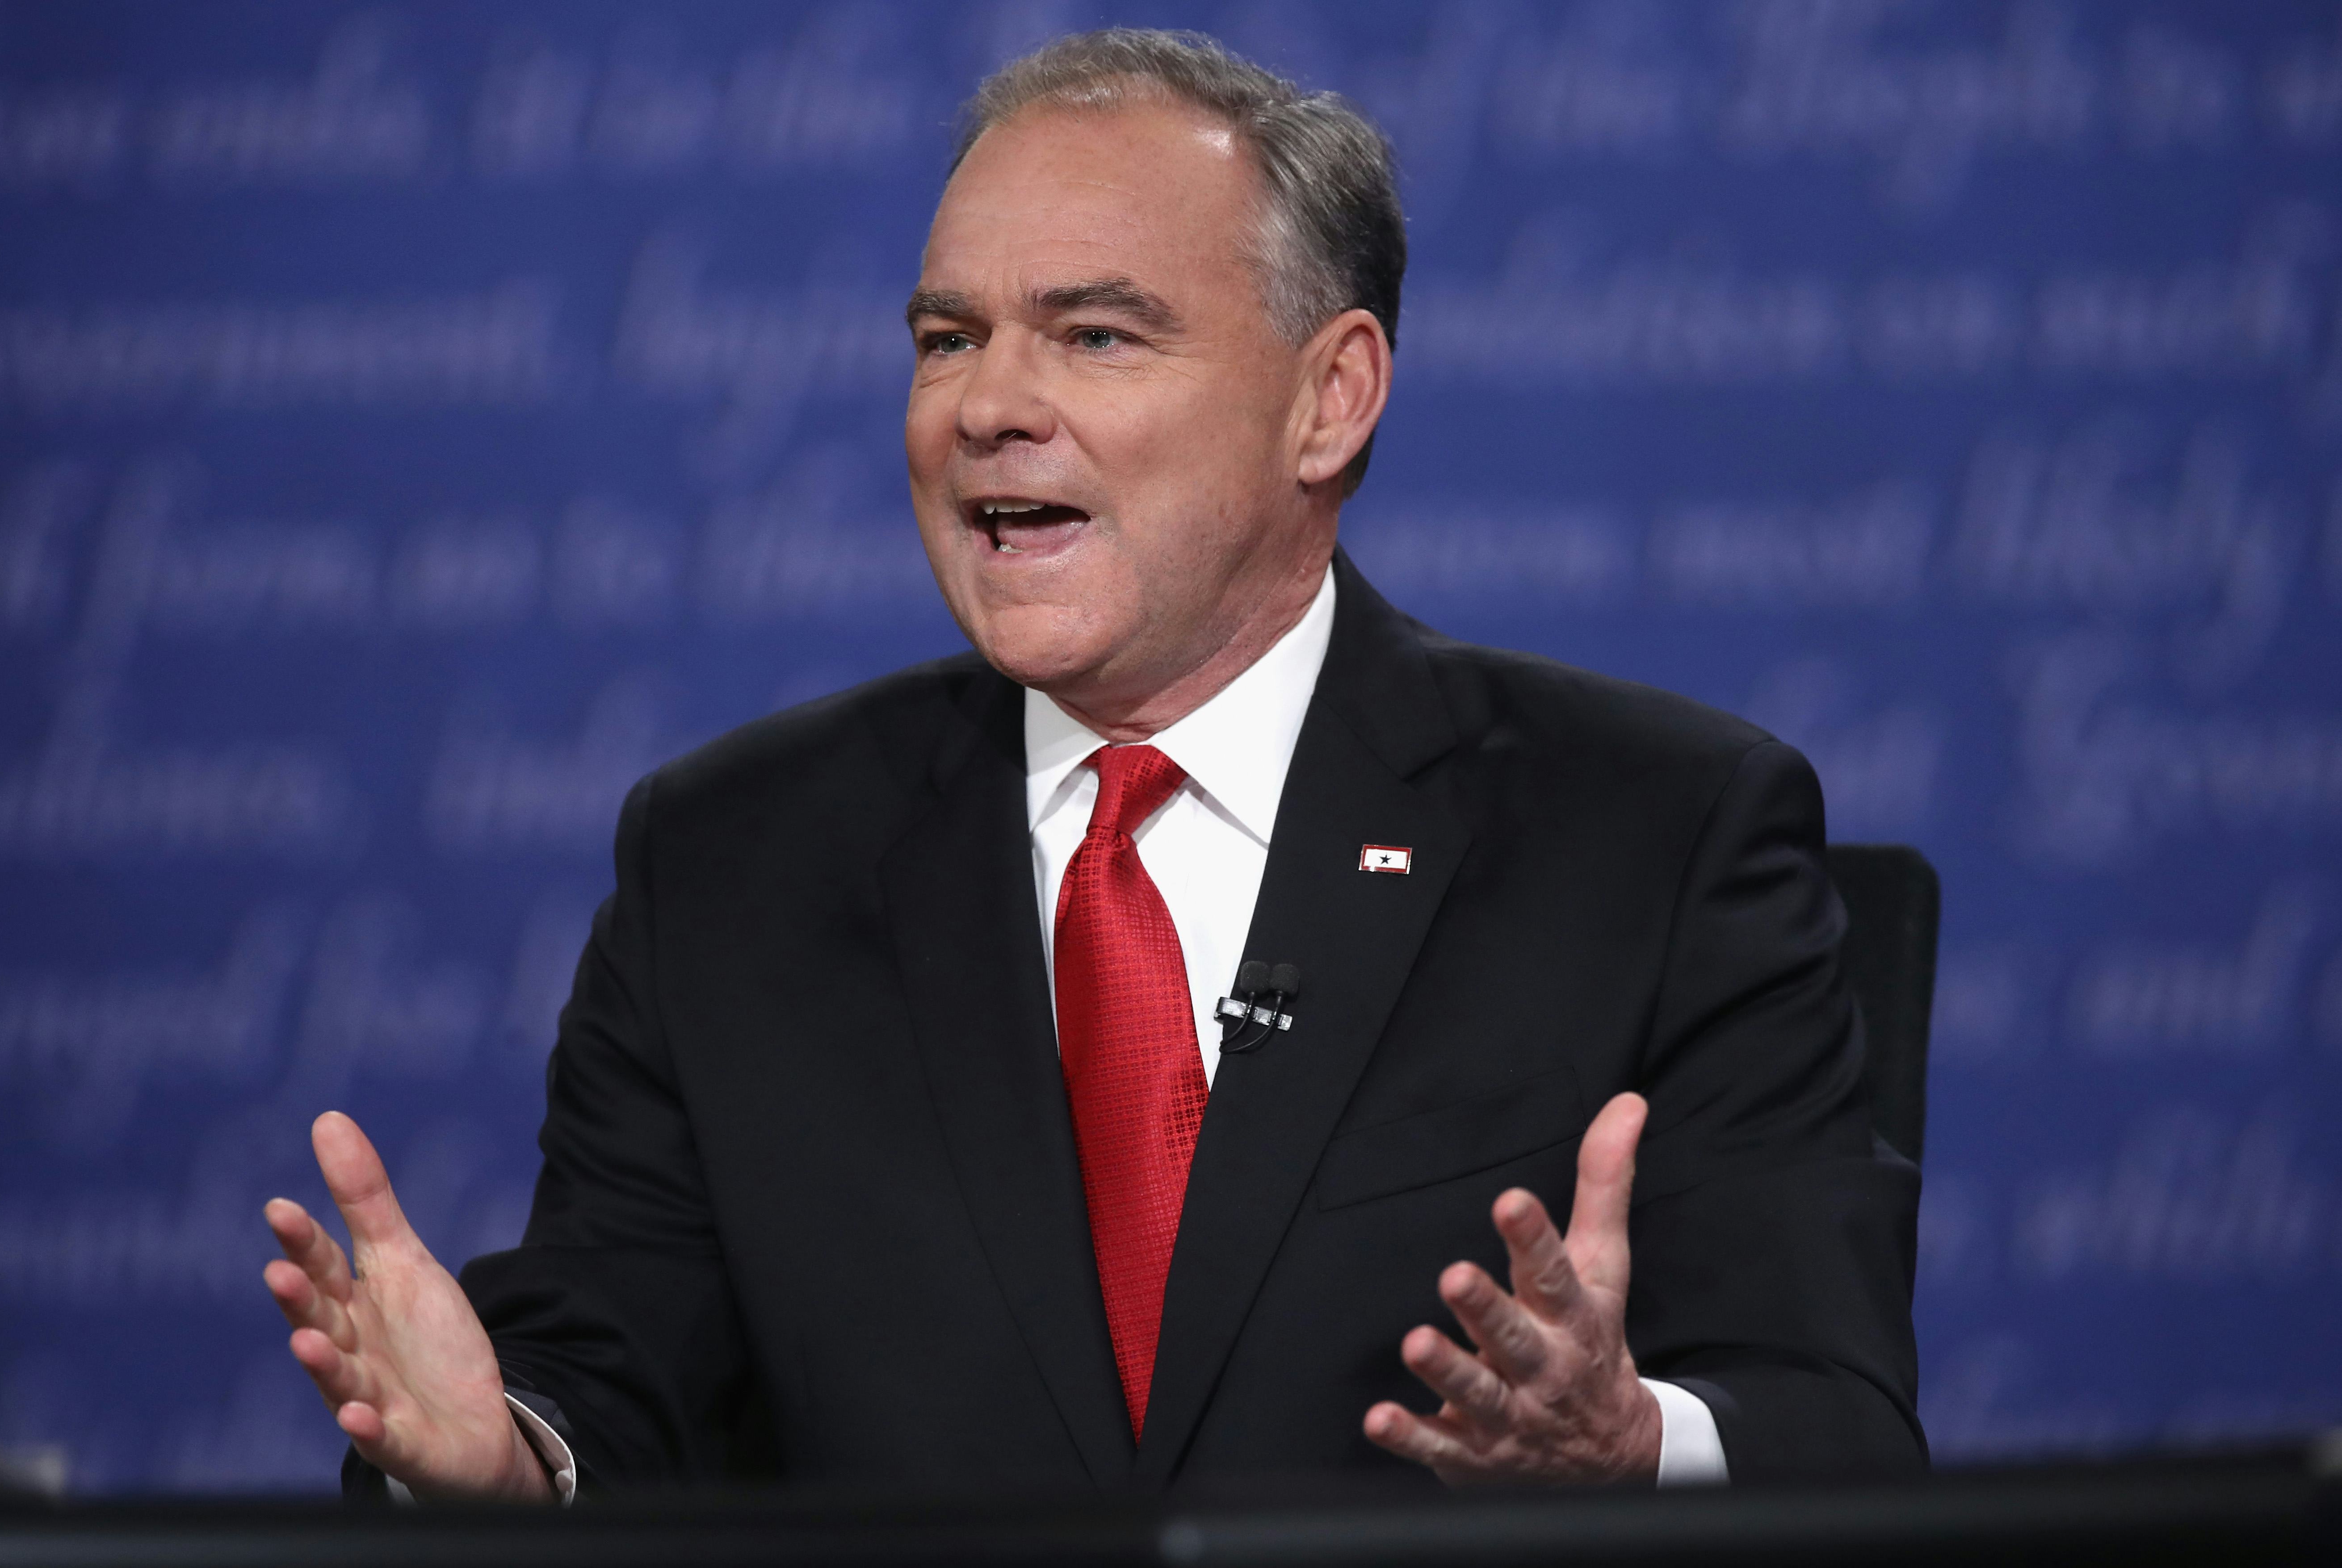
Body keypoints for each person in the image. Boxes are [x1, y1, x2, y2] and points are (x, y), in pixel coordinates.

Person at [259, 29, 1922, 1502]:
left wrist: (1629, 1449)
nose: (986, 406)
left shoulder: (1652, 836)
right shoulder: (727, 863)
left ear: (1330, 399)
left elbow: (1831, 1426)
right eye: (946, 337)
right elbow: (617, 1376)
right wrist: (509, 1460)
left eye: (1097, 337)